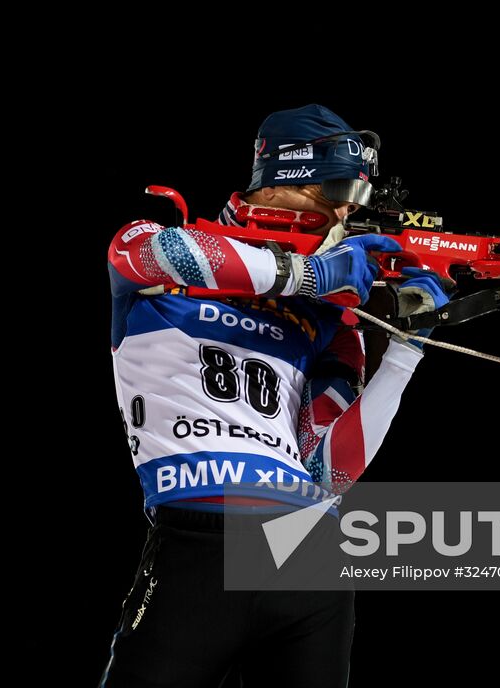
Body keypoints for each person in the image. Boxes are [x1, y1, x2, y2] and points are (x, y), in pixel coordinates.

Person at [100, 105, 450, 687]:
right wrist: (316, 275)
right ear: (283, 178)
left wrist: (409, 350)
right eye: (334, 190)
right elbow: (164, 255)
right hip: (197, 531)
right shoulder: (160, 244)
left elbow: (330, 472)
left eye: (354, 198)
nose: (343, 211)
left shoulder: (329, 319)